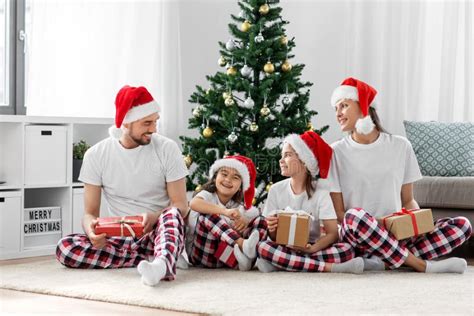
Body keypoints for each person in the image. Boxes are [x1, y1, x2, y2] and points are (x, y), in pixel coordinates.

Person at [329, 77, 472, 273]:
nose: (338, 113)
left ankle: (383, 262)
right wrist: (379, 224)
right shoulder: (335, 152)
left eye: (343, 106)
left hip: (396, 234)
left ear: (363, 106)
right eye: (335, 108)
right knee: (354, 216)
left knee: (462, 225)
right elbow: (339, 215)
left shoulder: (400, 146)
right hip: (357, 236)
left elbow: (408, 200)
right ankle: (420, 264)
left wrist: (419, 223)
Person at [56, 85, 189, 286]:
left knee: (172, 214)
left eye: (155, 122)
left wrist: (154, 218)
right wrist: (92, 231)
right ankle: (152, 259)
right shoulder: (96, 155)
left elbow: (181, 205)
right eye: (147, 123)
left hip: (159, 231)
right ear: (125, 123)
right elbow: (90, 213)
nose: (153, 129)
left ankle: (161, 263)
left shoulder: (167, 149)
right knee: (65, 247)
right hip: (121, 237)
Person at [256, 131, 363, 274]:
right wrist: (272, 229)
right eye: (282, 156)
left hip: (313, 246)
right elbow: (274, 237)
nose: (281, 160)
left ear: (304, 161)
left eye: (287, 155)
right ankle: (327, 268)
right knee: (263, 247)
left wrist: (312, 249)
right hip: (284, 246)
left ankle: (281, 264)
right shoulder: (276, 190)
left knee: (346, 250)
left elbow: (332, 234)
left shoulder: (321, 192)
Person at [187, 155, 268, 271]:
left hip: (227, 257)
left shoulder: (237, 206)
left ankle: (246, 261)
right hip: (202, 255)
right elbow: (194, 204)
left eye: (235, 177)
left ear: (241, 186)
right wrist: (224, 211)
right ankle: (243, 245)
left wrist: (245, 222)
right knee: (207, 214)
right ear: (215, 177)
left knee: (261, 220)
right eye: (224, 174)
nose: (228, 180)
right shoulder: (207, 195)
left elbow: (251, 224)